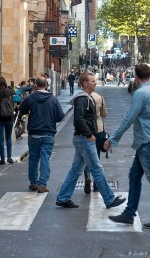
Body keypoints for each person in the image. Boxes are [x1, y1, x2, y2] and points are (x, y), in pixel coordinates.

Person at [104, 63, 150, 229]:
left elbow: (129, 118)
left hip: (146, 141)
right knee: (134, 176)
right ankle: (129, 213)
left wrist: (112, 139)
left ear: (136, 76)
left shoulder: (140, 94)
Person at [55, 72, 126, 210]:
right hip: (84, 139)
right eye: (93, 81)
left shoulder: (87, 98)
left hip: (82, 139)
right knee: (97, 169)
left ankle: (63, 197)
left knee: (75, 170)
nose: (95, 83)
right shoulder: (83, 99)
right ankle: (109, 199)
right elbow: (79, 119)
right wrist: (89, 134)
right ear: (85, 84)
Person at [19, 77, 64, 193]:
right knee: (45, 159)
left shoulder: (30, 98)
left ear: (35, 86)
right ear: (46, 86)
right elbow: (60, 116)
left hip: (34, 133)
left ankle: (33, 182)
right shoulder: (53, 99)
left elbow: (22, 110)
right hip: (48, 133)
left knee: (33, 158)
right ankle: (42, 184)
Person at [84, 88, 108, 194]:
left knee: (87, 156)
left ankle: (87, 175)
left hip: (87, 129)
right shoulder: (100, 98)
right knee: (96, 156)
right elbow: (104, 114)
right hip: (98, 128)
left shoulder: (82, 97)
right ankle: (96, 184)